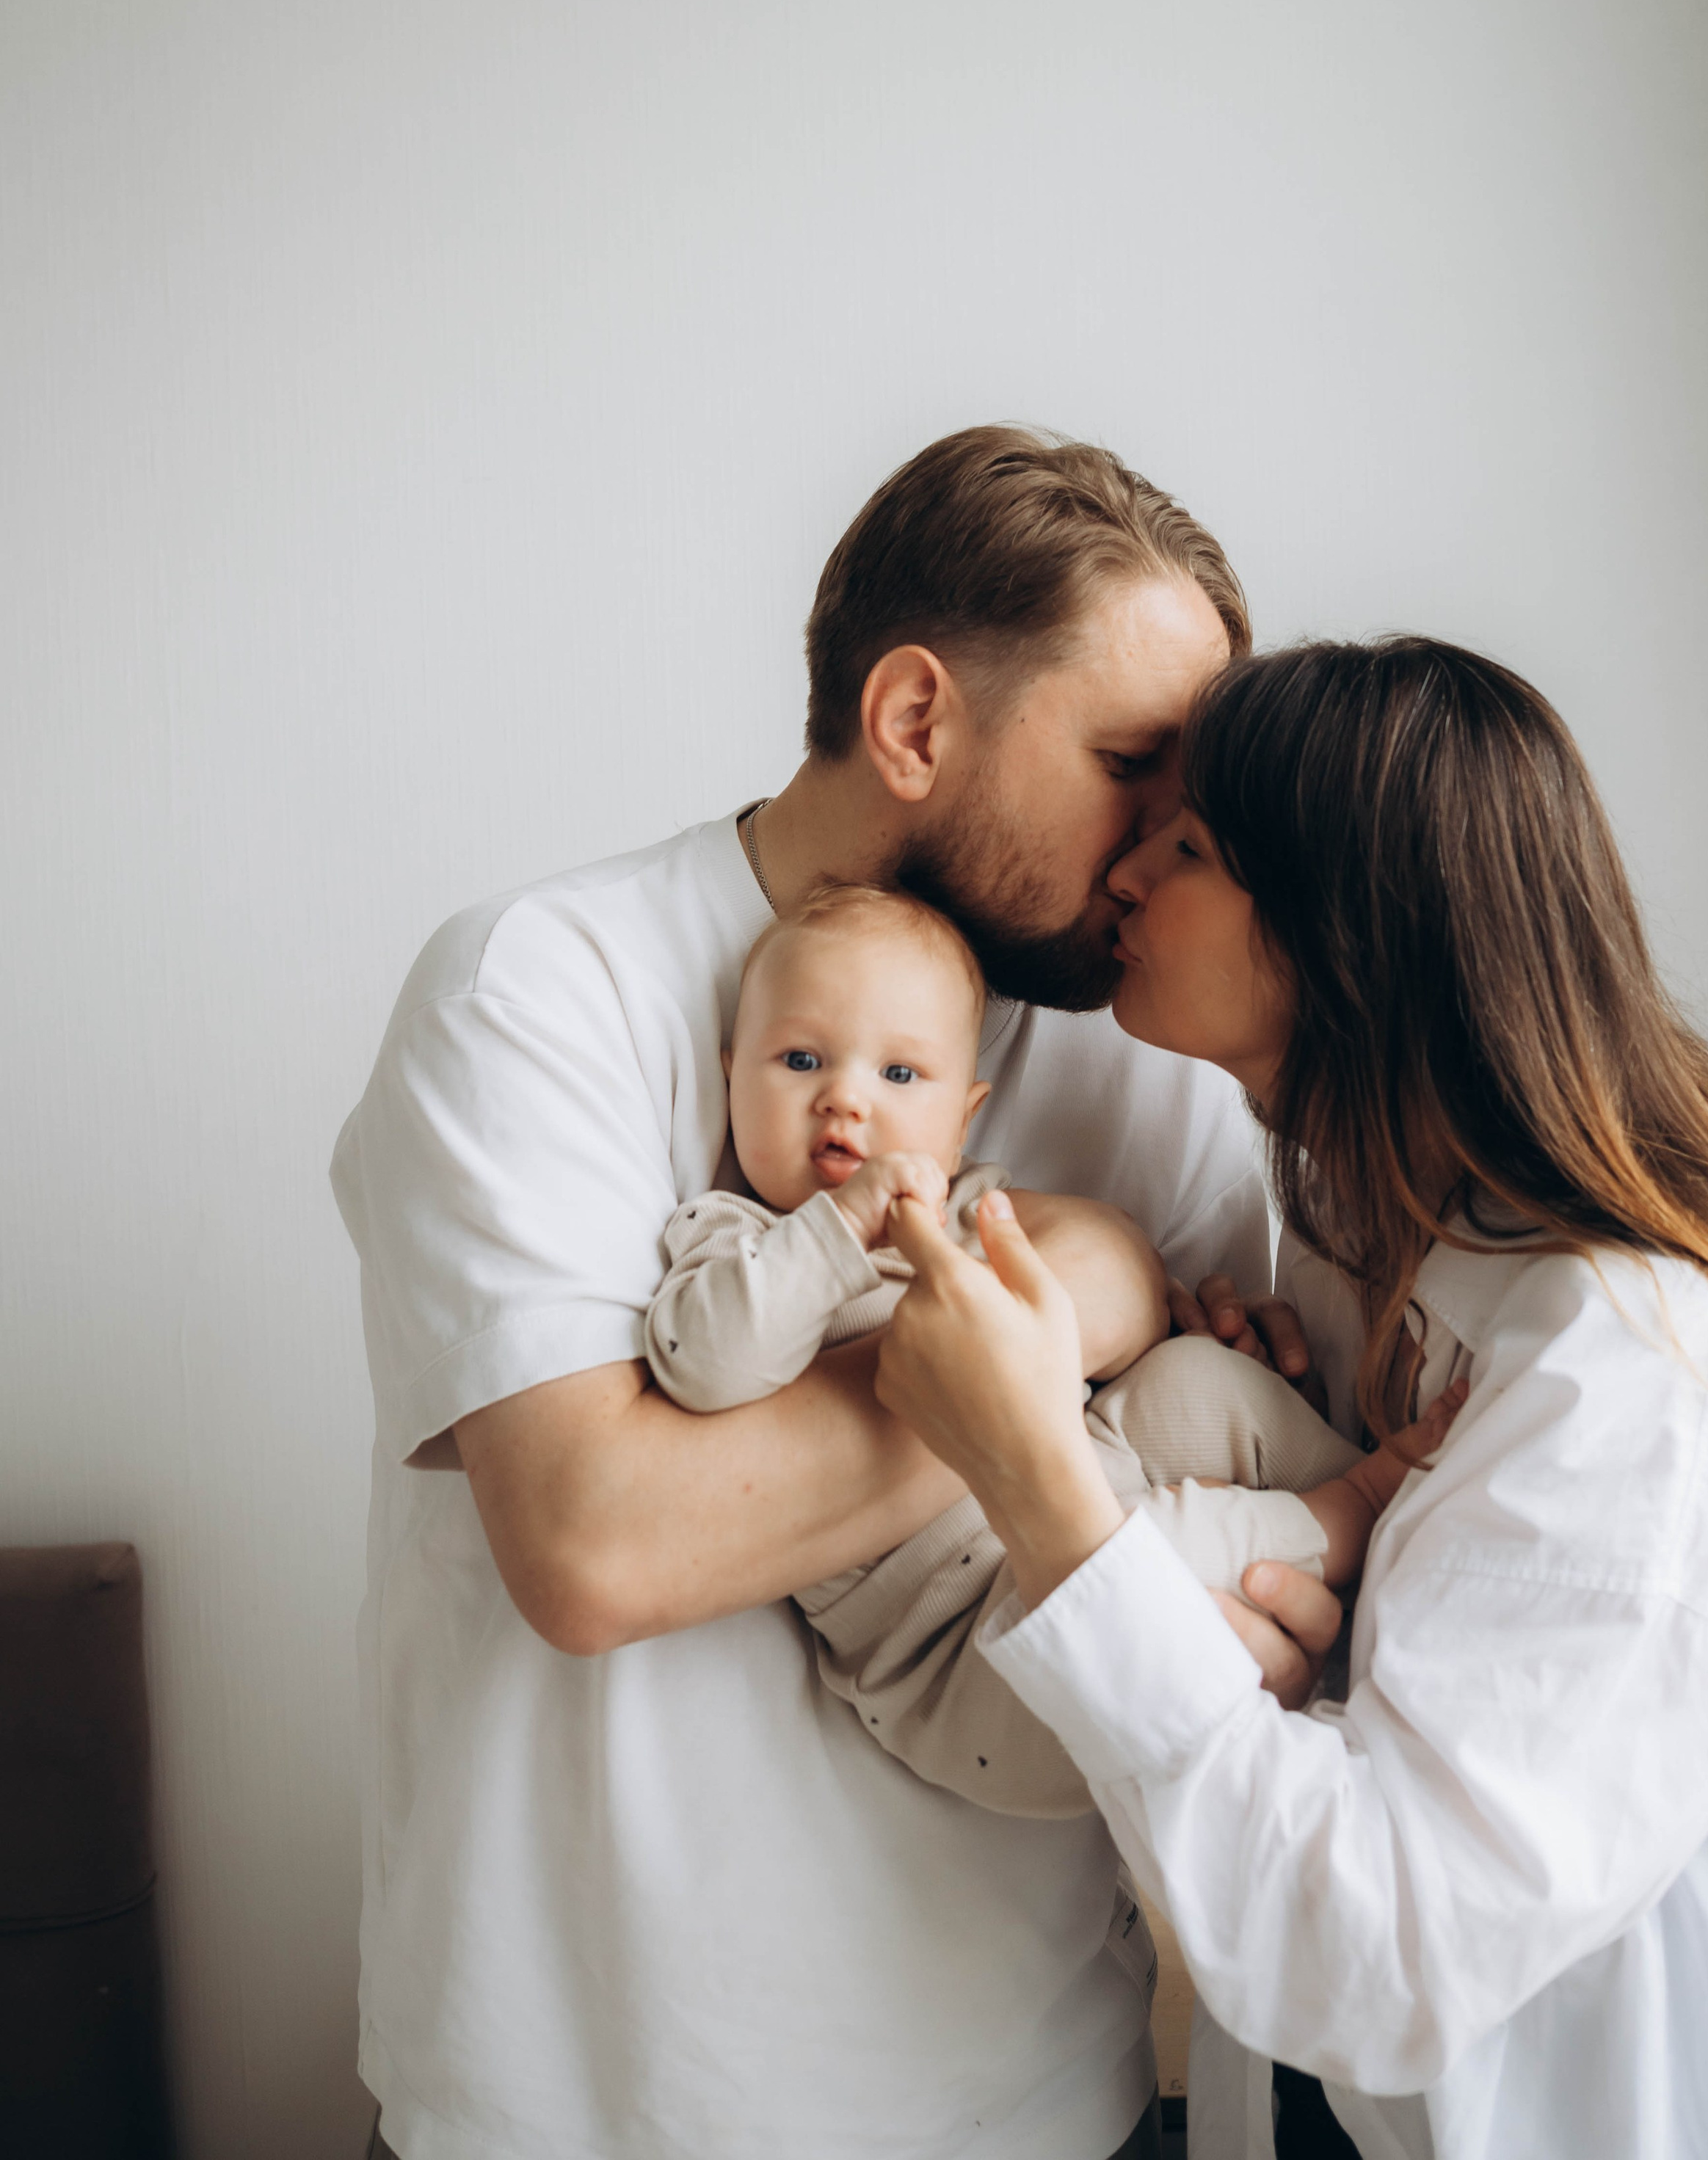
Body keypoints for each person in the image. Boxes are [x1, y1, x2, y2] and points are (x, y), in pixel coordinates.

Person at [332, 426, 1326, 2160]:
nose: (1163, 843)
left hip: (1046, 2102)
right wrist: (1076, 1302)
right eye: (1126, 763)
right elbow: (598, 1539)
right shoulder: (540, 990)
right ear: (917, 719)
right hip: (583, 2114)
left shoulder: (1146, 1063)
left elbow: (1220, 1532)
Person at [875, 636, 1708, 2160]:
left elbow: (1377, 1955)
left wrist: (1037, 1478)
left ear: (1347, 936)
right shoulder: (1368, 1247)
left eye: (1190, 844)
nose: (1126, 873)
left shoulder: (1644, 1371)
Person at [650, 877, 1463, 1817]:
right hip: (971, 1658)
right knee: (1150, 1559)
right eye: (799, 1060)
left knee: (1197, 1384)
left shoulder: (979, 1214)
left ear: (963, 1117)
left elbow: (1103, 1331)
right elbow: (704, 1364)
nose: (844, 1101)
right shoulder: (729, 1239)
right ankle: (1351, 1512)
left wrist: (1194, 1326)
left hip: (1085, 1485)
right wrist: (836, 1230)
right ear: (730, 1074)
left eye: (899, 1076)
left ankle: (1360, 1510)